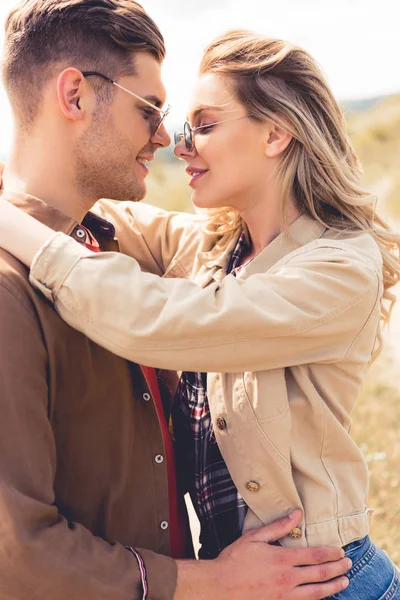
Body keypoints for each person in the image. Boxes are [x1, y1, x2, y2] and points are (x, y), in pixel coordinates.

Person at [1, 27, 400, 599]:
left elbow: (158, 317)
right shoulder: (215, 247)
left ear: (275, 133)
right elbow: (84, 208)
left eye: (204, 126)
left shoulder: (338, 269)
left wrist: (5, 222)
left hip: (324, 582)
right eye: (174, 123)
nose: (178, 144)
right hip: (247, 580)